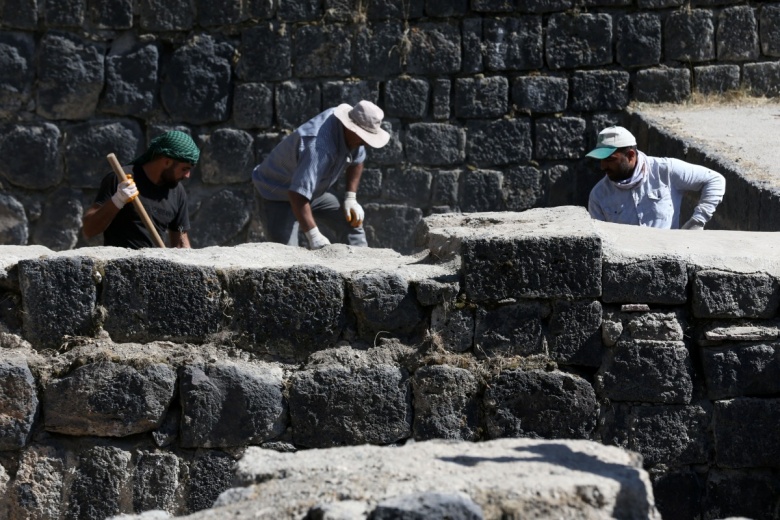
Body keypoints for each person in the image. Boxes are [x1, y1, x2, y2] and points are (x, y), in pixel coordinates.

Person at [252, 100, 390, 249]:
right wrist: (314, 235)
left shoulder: (353, 135)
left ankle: (362, 265)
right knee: (287, 255)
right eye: (363, 138)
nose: (367, 143)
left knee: (352, 222)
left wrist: (351, 197)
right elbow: (296, 195)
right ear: (351, 128)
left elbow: (358, 160)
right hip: (277, 193)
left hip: (311, 191)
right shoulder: (319, 147)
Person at [586, 126, 725, 229]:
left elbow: (715, 180)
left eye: (610, 159)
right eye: (601, 160)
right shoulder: (598, 195)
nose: (603, 166)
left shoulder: (665, 170)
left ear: (630, 156)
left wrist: (697, 222)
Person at [82, 130, 199, 248]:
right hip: (120, 264)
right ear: (167, 161)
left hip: (156, 265)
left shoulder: (177, 192)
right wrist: (118, 200)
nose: (187, 176)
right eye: (185, 169)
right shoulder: (121, 180)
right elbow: (88, 230)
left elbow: (181, 242)